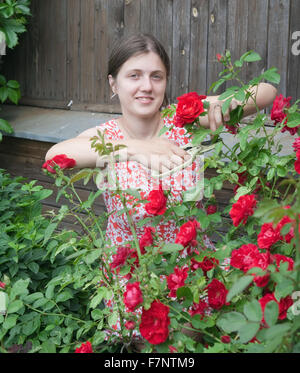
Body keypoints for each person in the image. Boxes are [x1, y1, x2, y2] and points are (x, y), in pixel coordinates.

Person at [45, 33, 277, 347]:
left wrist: (223, 104)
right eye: (134, 76)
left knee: (189, 345)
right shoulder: (105, 136)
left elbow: (267, 92)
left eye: (157, 76)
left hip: (190, 272)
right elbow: (54, 157)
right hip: (135, 277)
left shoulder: (183, 121)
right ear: (113, 84)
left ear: (166, 81)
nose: (146, 86)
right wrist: (131, 147)